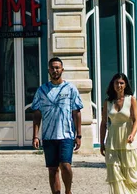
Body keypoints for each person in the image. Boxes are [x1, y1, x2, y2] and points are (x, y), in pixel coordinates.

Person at [31, 57, 83, 194]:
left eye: (57, 68)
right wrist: (35, 136)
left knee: (65, 165)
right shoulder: (42, 90)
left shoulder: (70, 88)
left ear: (62, 70)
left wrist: (79, 135)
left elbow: (76, 112)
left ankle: (68, 191)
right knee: (53, 169)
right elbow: (37, 114)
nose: (55, 70)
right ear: (48, 70)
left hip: (66, 135)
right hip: (48, 136)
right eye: (52, 68)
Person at [100, 73, 137, 194]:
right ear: (112, 85)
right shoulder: (108, 102)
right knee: (115, 173)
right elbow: (103, 123)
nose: (119, 85)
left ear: (125, 85)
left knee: (130, 175)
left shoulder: (131, 99)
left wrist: (133, 134)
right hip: (112, 141)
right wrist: (102, 143)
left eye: (122, 83)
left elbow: (136, 120)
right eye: (117, 83)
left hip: (127, 140)